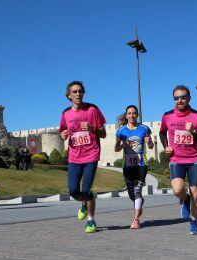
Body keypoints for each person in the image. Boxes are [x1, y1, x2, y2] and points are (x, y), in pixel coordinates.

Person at [160, 85, 197, 235]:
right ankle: (185, 199)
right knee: (178, 189)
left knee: (196, 193)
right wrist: (166, 146)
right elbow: (162, 132)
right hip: (176, 158)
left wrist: (194, 130)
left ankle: (193, 221)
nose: (179, 100)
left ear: (189, 98)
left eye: (182, 97)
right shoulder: (167, 116)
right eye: (176, 98)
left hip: (194, 159)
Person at [59, 80, 106, 233]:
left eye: (80, 91)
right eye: (75, 92)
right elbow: (62, 133)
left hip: (91, 155)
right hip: (74, 157)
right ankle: (84, 203)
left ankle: (91, 221)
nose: (78, 94)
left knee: (86, 190)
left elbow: (103, 134)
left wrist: (92, 128)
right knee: (73, 191)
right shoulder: (66, 113)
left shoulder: (93, 109)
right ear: (68, 96)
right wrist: (63, 135)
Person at [115, 105, 154, 229]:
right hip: (127, 165)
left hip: (141, 164)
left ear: (137, 115)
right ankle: (139, 202)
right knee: (132, 194)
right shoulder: (121, 131)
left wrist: (149, 142)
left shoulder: (144, 129)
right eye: (129, 113)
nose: (132, 115)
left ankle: (136, 220)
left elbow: (152, 146)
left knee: (138, 190)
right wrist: (123, 145)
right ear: (126, 116)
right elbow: (116, 149)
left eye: (134, 113)